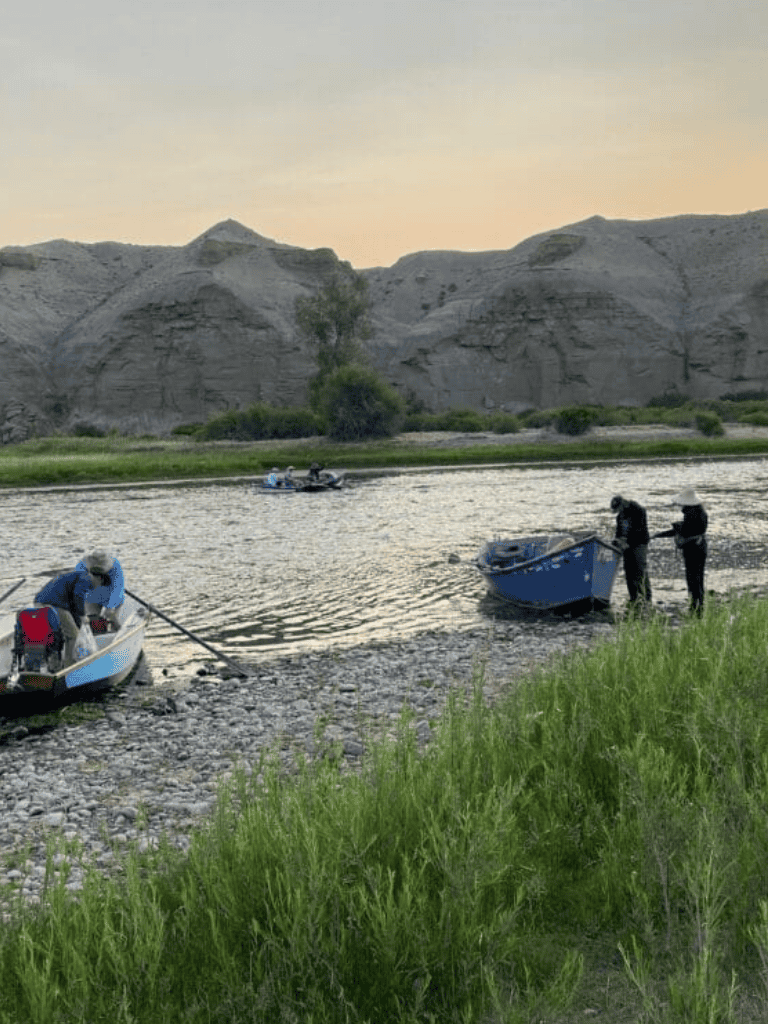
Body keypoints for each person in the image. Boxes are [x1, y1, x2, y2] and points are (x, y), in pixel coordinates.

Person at [653, 487, 708, 615]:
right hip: (699, 548)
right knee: (697, 578)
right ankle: (698, 606)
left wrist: (659, 534)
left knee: (693, 579)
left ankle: (696, 608)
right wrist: (659, 535)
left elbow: (684, 531)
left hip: (694, 550)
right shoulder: (699, 512)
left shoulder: (693, 514)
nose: (682, 508)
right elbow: (684, 531)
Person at [33, 568, 92, 664]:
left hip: (39, 602)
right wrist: (83, 615)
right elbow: (78, 595)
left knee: (60, 634)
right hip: (51, 604)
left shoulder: (74, 576)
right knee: (73, 635)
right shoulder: (85, 578)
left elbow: (73, 607)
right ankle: (69, 665)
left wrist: (79, 623)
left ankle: (56, 663)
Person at [610, 495, 652, 609]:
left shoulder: (638, 510)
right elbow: (618, 532)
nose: (618, 512)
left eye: (618, 508)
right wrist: (618, 541)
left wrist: (627, 540)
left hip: (639, 544)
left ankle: (646, 598)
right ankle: (633, 597)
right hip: (626, 547)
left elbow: (640, 530)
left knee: (640, 570)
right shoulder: (619, 517)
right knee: (629, 572)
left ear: (623, 503)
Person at [75, 550, 124, 629]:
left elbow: (117, 589)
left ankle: (116, 630)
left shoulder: (115, 566)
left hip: (111, 595)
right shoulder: (81, 566)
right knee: (94, 622)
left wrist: (110, 607)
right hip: (92, 596)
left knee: (114, 620)